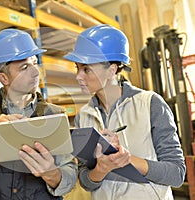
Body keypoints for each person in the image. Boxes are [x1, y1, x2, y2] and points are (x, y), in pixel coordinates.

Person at [0, 28, 77, 200]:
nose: (35, 72)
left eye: (34, 62)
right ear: (3, 78)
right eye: (25, 67)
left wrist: (51, 173)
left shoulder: (54, 115)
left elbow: (70, 176)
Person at [63, 24, 186, 199]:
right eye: (77, 68)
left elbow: (176, 174)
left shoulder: (150, 104)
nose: (78, 76)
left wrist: (126, 160)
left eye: (86, 69)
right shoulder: (84, 115)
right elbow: (86, 181)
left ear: (112, 70)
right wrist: (102, 168)